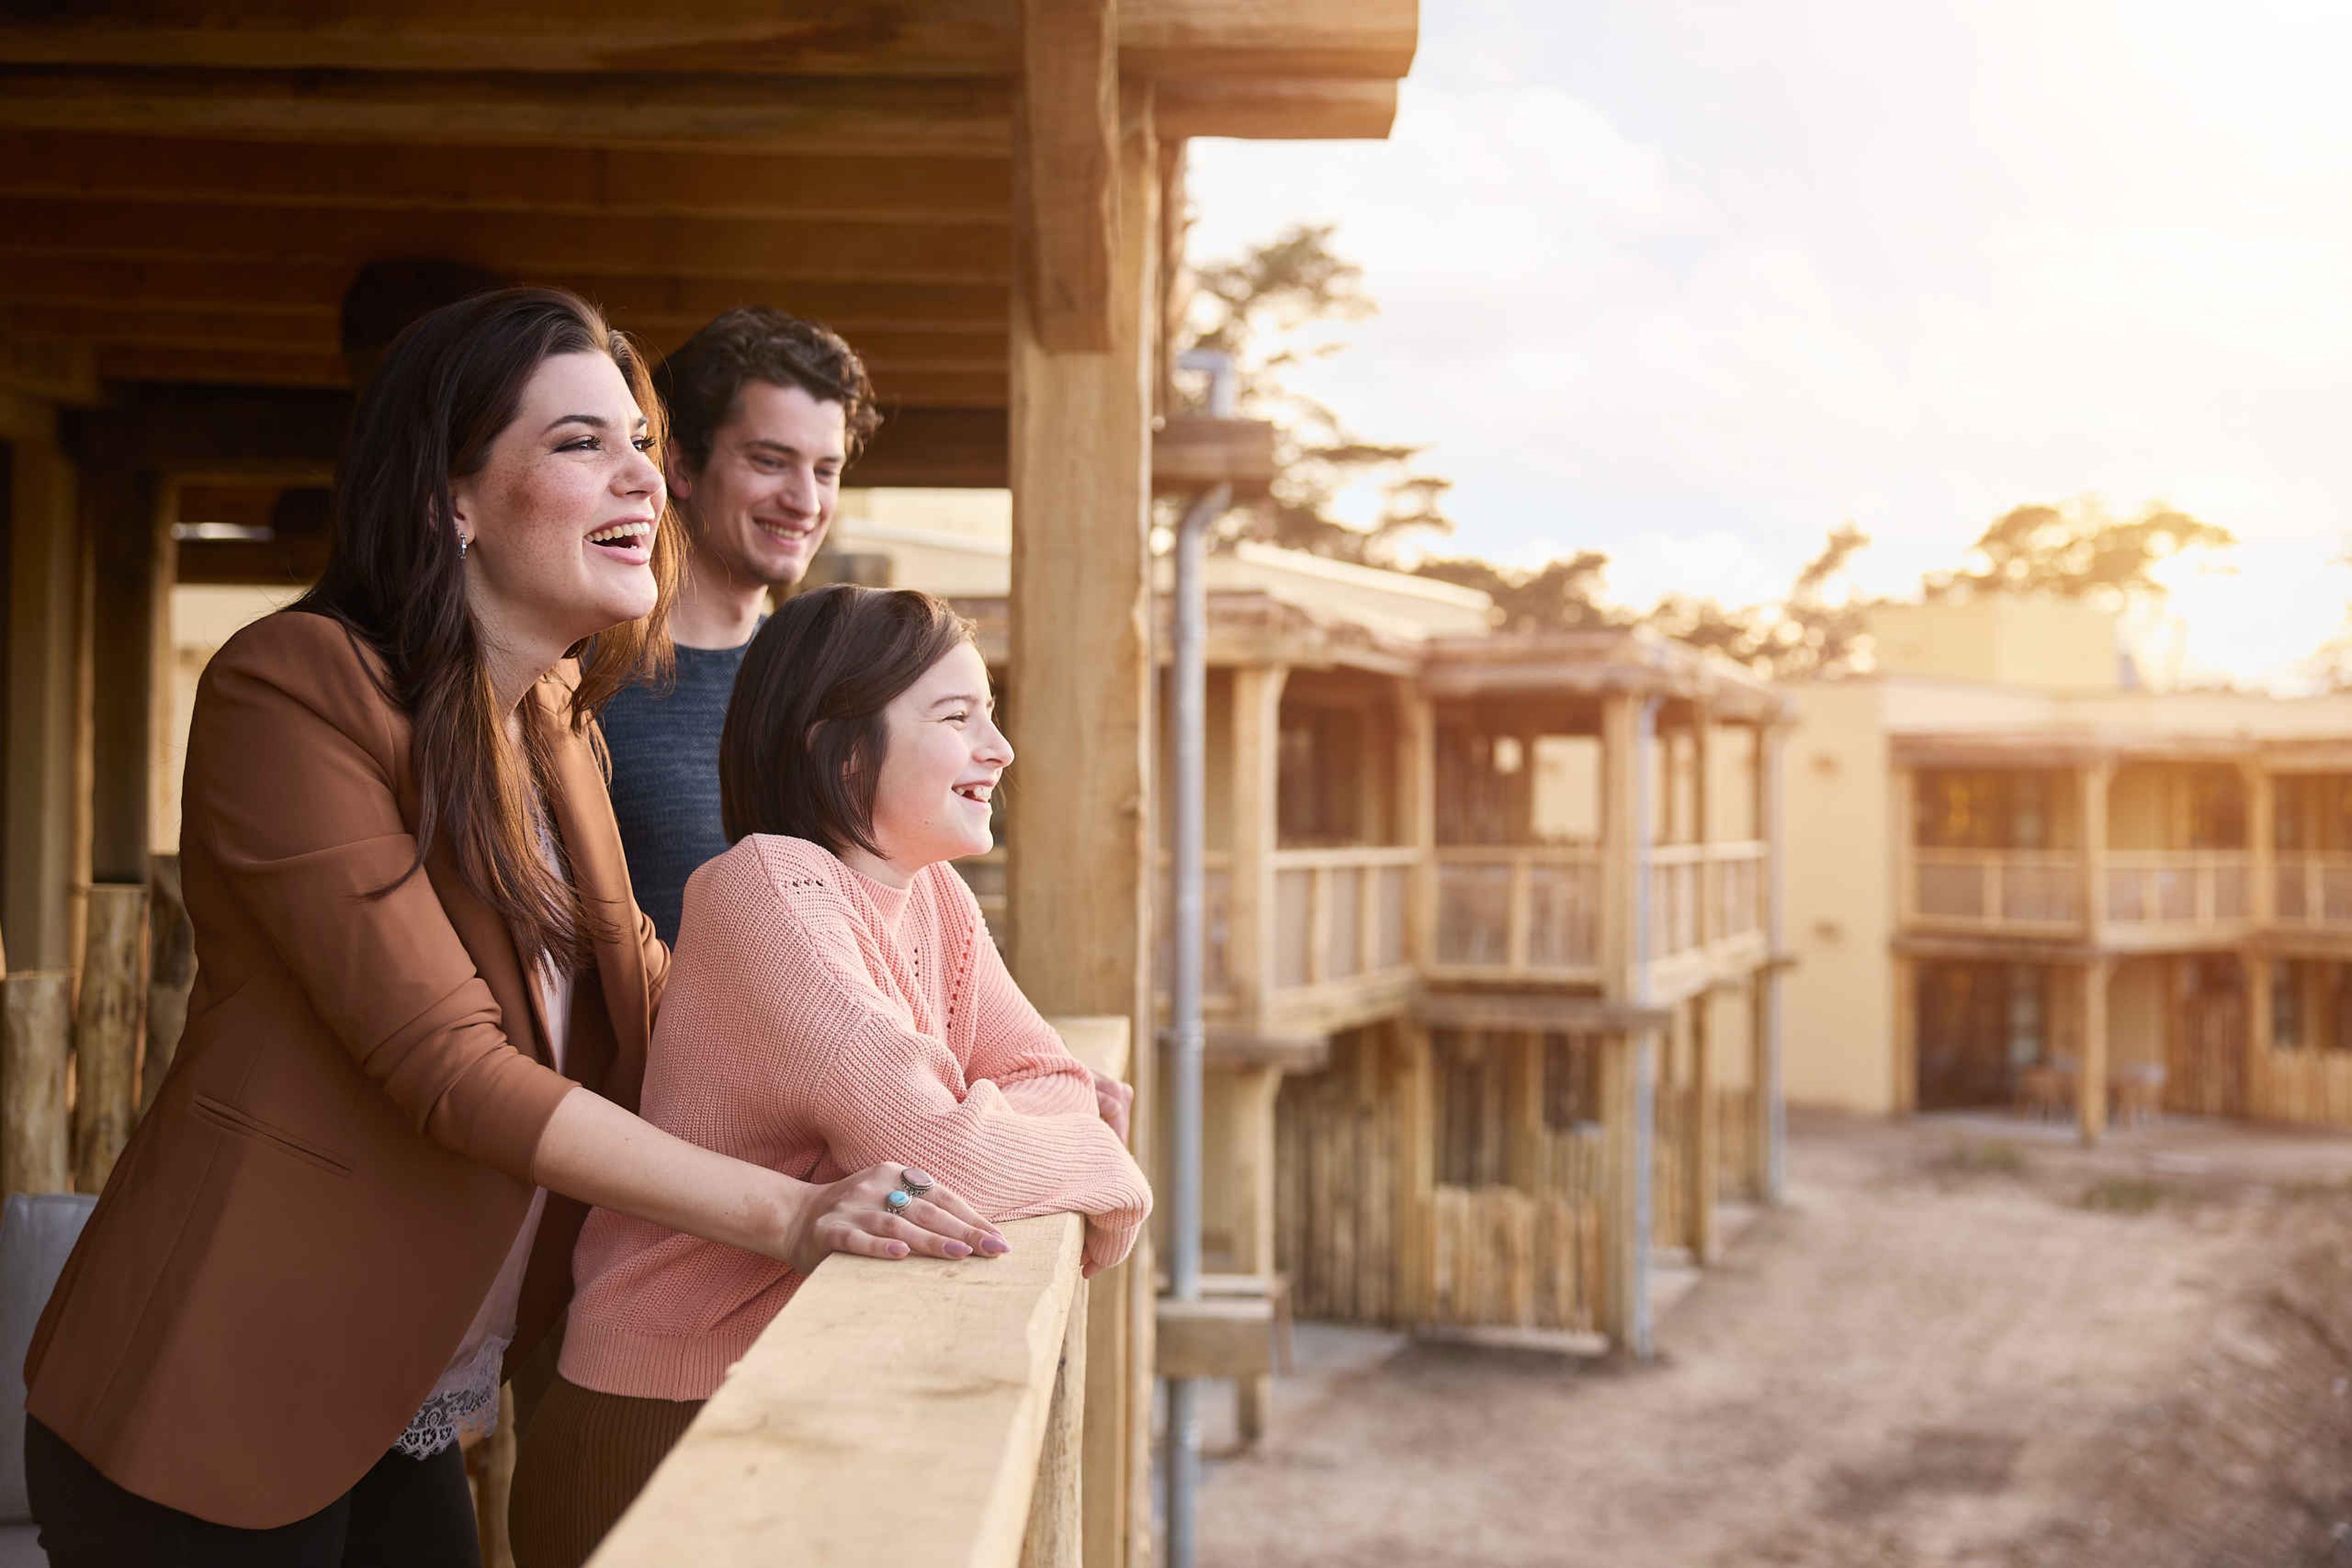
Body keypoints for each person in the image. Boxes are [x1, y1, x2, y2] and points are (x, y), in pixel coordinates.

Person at [21, 289, 999, 1567]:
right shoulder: (291, 688)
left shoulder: (556, 723)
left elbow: (662, 998)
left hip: (408, 1403)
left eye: (643, 441)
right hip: (215, 1395)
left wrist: (912, 1077)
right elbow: (454, 1067)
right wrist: (791, 1212)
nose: (641, 475)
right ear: (451, 499)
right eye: (580, 441)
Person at [508, 586, 1152, 1568]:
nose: (1000, 748)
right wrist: (1102, 1160)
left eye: (991, 712)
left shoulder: (930, 893)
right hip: (659, 1422)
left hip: (781, 1390)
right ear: (840, 750)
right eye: (957, 717)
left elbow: (1045, 1075)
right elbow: (947, 1153)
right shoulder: (770, 889)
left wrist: (1005, 1120)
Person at [598, 307, 875, 948]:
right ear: (681, 468)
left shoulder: (837, 688)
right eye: (770, 461)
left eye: (825, 470)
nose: (806, 501)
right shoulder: (584, 676)